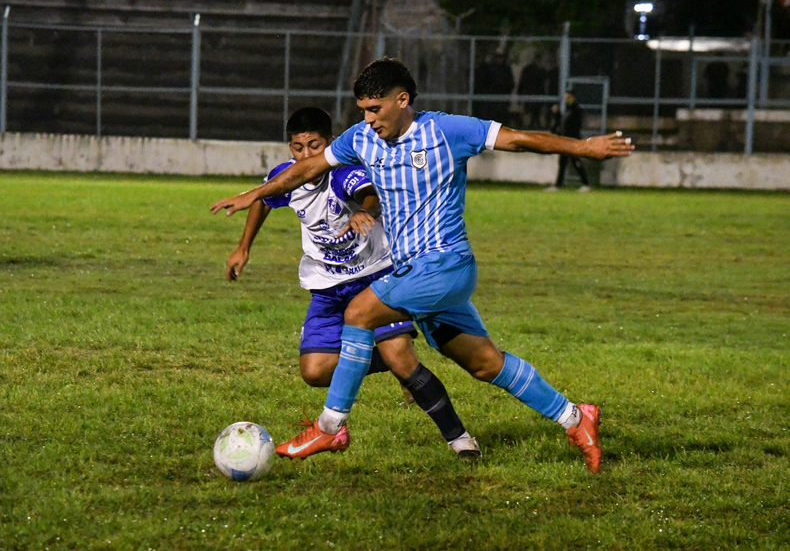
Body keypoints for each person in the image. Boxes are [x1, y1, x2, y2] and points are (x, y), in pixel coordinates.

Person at [211, 58, 634, 473]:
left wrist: (584, 147)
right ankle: (576, 418)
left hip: (446, 265)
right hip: (411, 273)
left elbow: (520, 139)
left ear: (402, 99)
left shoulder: (447, 130)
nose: (369, 119)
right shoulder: (360, 139)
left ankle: (330, 427)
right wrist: (256, 194)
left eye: (375, 109)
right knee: (485, 363)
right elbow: (307, 168)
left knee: (359, 312)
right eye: (363, 111)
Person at [224, 107, 481, 459]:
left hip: (374, 278)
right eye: (298, 148)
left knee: (402, 359)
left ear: (330, 143)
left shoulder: (342, 173)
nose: (306, 155)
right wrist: (243, 248)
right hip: (328, 287)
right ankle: (382, 369)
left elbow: (369, 193)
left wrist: (366, 210)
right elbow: (264, 200)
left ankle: (460, 440)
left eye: (315, 145)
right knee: (313, 371)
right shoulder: (286, 177)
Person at [548, 90, 591, 192]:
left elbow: (575, 126)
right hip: (565, 141)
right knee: (563, 163)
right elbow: (562, 124)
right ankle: (558, 184)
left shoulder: (576, 110)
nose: (566, 99)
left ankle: (586, 184)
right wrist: (557, 114)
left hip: (572, 141)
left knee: (576, 162)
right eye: (565, 97)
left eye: (568, 97)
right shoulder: (567, 110)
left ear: (573, 97)